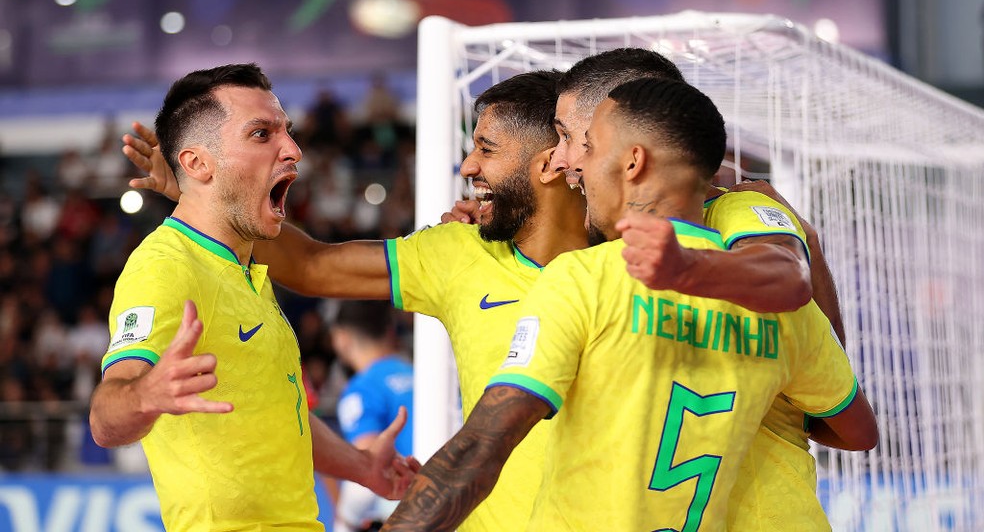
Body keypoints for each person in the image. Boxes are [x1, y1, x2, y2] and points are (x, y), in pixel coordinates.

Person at [120, 63, 825, 531]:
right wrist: (202, 191)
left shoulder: (658, 252)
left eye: (485, 147)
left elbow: (821, 383)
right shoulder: (457, 253)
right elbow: (309, 263)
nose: (466, 167)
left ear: (555, 158)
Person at [381, 78, 878, 531]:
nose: (568, 163)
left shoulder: (583, 279)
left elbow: (480, 451)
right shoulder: (782, 303)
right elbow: (857, 431)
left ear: (633, 162)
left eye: (585, 146)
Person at [89, 64, 416, 532]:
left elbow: (282, 419)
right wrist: (146, 394)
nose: (293, 150)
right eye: (262, 134)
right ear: (198, 163)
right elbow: (105, 416)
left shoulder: (247, 270)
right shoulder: (165, 267)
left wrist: (362, 467)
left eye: (288, 131)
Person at [544, 47, 852, 530]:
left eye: (569, 136)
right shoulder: (603, 235)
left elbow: (791, 281)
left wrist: (691, 267)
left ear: (627, 140)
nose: (560, 155)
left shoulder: (737, 212)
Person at [330, 301, 414, 532]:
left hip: (414, 508)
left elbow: (369, 464)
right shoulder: (418, 374)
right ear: (389, 331)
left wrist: (344, 524)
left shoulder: (362, 390)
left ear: (342, 337)